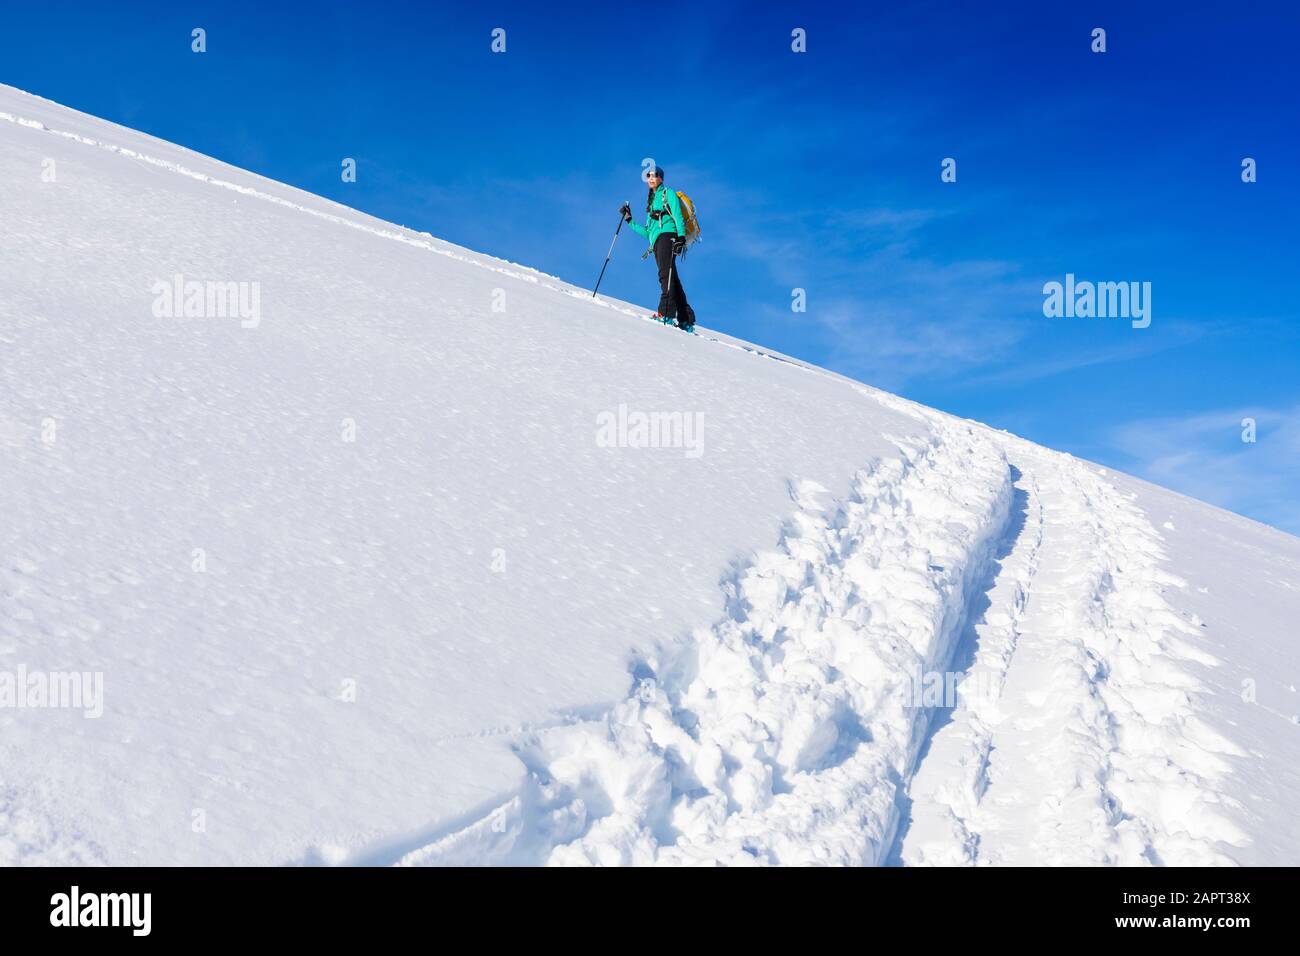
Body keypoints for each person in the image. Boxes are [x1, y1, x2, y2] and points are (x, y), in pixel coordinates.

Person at [620, 166, 695, 330]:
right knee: (671, 277)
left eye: (654, 175)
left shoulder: (667, 193)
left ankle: (666, 314)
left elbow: (677, 215)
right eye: (648, 176)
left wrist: (680, 237)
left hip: (668, 236)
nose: (651, 178)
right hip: (657, 241)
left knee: (664, 275)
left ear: (661, 178)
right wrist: (629, 220)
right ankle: (685, 319)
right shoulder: (651, 203)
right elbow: (648, 233)